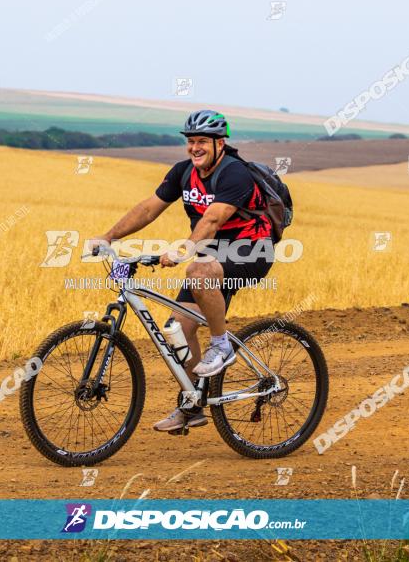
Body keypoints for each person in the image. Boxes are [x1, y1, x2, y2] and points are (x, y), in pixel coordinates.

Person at [86, 110, 274, 432]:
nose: (195, 148)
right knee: (178, 331)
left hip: (251, 249)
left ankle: (221, 346)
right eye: (190, 142)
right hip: (213, 255)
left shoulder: (235, 174)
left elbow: (213, 219)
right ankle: (192, 407)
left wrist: (184, 248)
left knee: (197, 270)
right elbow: (149, 208)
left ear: (220, 143)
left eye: (202, 141)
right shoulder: (183, 173)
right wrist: (108, 237)